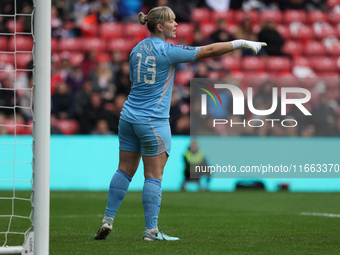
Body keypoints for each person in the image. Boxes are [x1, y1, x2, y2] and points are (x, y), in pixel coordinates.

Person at [94, 5, 266, 242]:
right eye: (172, 21)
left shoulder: (136, 50)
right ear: (159, 26)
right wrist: (241, 43)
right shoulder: (168, 51)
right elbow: (209, 50)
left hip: (128, 116)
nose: (176, 24)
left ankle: (107, 220)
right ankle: (151, 231)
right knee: (154, 174)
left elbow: (135, 82)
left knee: (124, 169)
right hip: (153, 121)